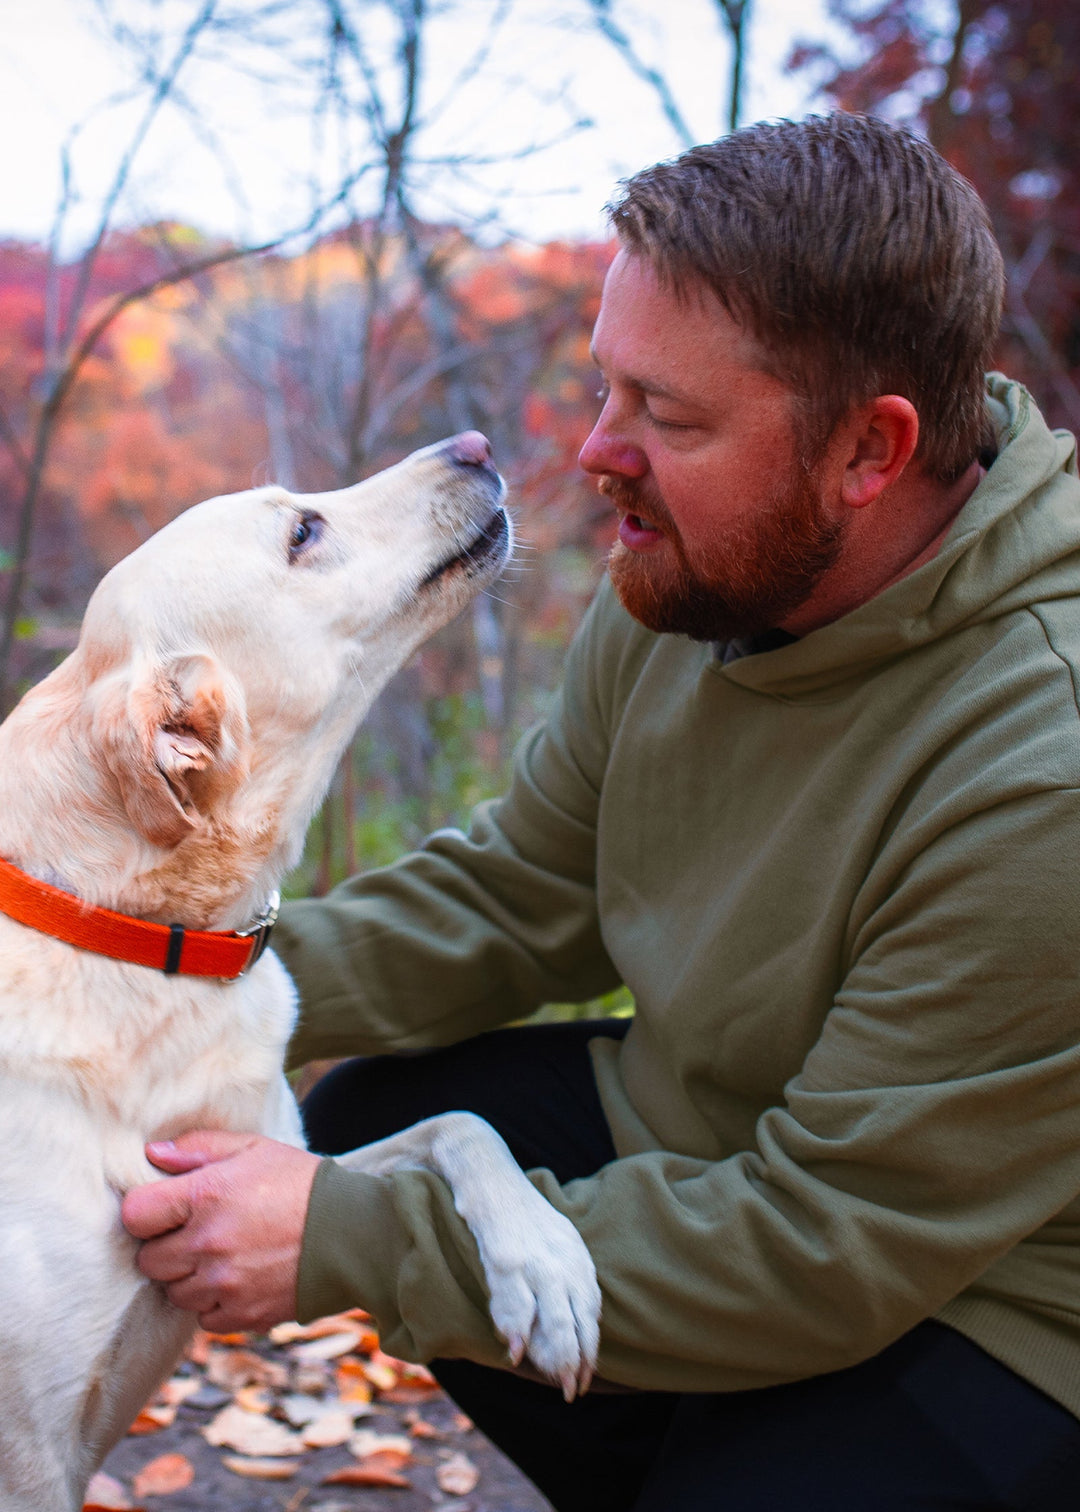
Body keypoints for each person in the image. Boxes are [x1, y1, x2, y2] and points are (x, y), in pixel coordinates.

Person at [122, 113, 1080, 1511]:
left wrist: (345, 1238)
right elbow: (515, 895)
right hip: (724, 1141)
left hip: (982, 1302)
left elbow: (833, 1240)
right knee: (390, 1110)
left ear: (870, 453)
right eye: (606, 391)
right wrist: (153, 978)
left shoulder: (1042, 763)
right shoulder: (705, 569)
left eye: (669, 417)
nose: (594, 455)